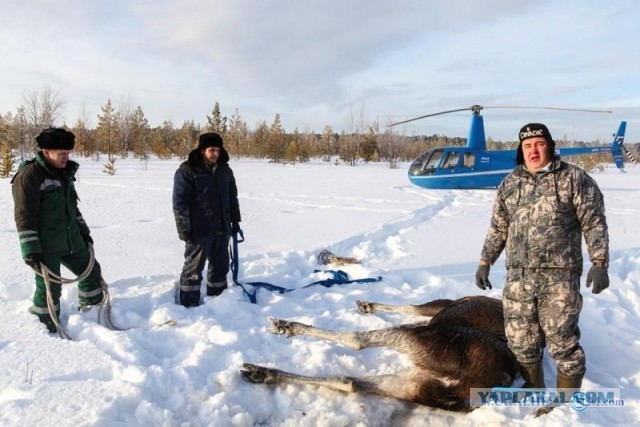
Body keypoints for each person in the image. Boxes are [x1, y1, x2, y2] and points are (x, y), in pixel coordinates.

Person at [475, 123, 609, 399]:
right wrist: (485, 261)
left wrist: (599, 262)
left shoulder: (574, 179)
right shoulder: (510, 184)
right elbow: (499, 228)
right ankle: (534, 387)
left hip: (559, 276)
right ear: (520, 150)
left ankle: (566, 403)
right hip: (519, 277)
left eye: (539, 144)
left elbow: (594, 223)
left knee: (562, 340)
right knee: (520, 339)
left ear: (550, 145)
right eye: (527, 146)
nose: (533, 150)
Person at [12, 128, 104, 332]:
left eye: (68, 153)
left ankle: (92, 315)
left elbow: (73, 208)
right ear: (46, 152)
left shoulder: (65, 173)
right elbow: (24, 215)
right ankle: (44, 327)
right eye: (61, 154)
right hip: (45, 245)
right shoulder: (29, 175)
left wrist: (84, 232)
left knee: (91, 272)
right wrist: (30, 249)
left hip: (71, 239)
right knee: (49, 287)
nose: (66, 158)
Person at [173, 132, 241, 307]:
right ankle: (188, 305)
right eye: (212, 150)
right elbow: (180, 203)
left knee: (220, 268)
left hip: (222, 228)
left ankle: (218, 302)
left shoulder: (225, 170)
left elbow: (232, 197)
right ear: (202, 150)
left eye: (218, 150)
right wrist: (184, 229)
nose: (216, 154)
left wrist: (235, 221)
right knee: (193, 270)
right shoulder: (187, 171)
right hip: (198, 231)